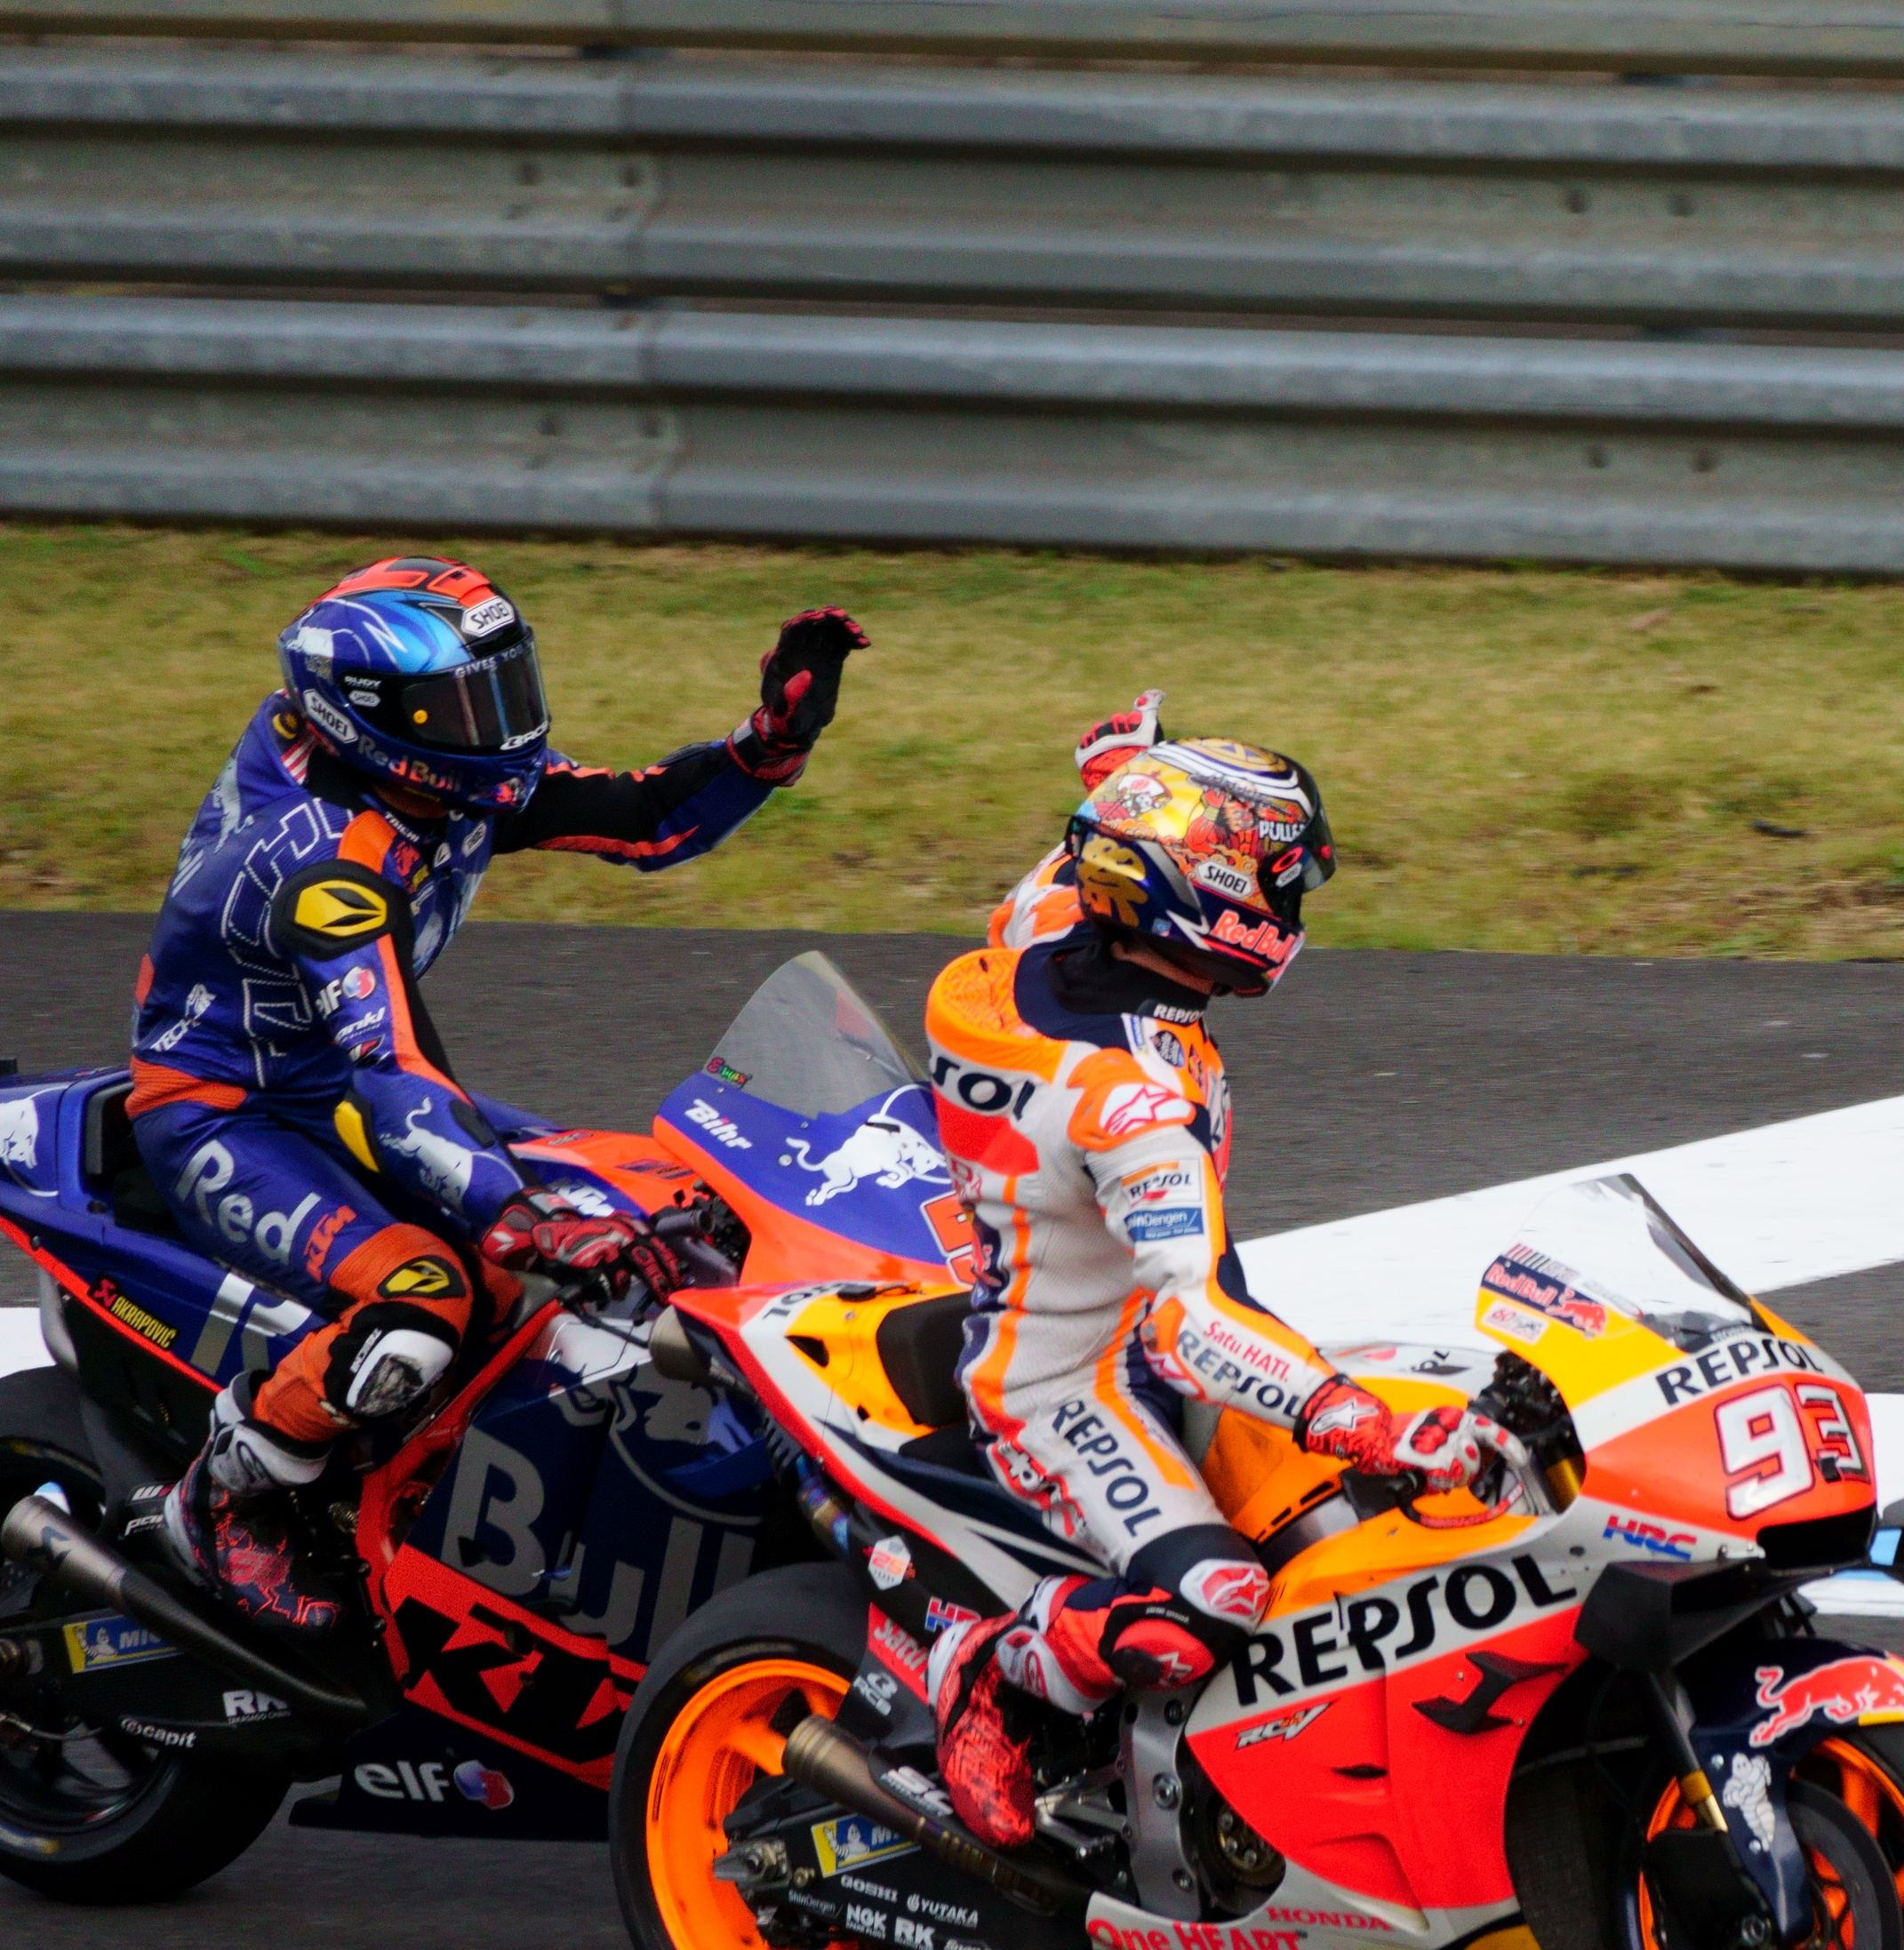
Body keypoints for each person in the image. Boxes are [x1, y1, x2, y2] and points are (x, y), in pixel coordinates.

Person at [129, 555, 866, 1631]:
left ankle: (447, 1492)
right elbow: (392, 1076)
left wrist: (768, 745)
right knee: (430, 1297)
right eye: (462, 706)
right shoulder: (321, 861)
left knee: (652, 1195)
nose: (501, 725)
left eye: (503, 688)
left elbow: (645, 818)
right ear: (368, 718)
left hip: (334, 1082)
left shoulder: (433, 778)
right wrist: (516, 1213)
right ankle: (221, 1498)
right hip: (227, 1108)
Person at [921, 700, 1513, 1848]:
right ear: (1205, 896)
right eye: (1277, 887)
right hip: (1069, 1380)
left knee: (1376, 1540)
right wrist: (1352, 1417)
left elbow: (1075, 863)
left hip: (1126, 1297)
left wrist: (1125, 775)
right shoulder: (1130, 1108)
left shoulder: (1047, 932)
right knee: (1215, 1601)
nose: (1289, 915)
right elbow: (1193, 1324)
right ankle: (985, 1668)